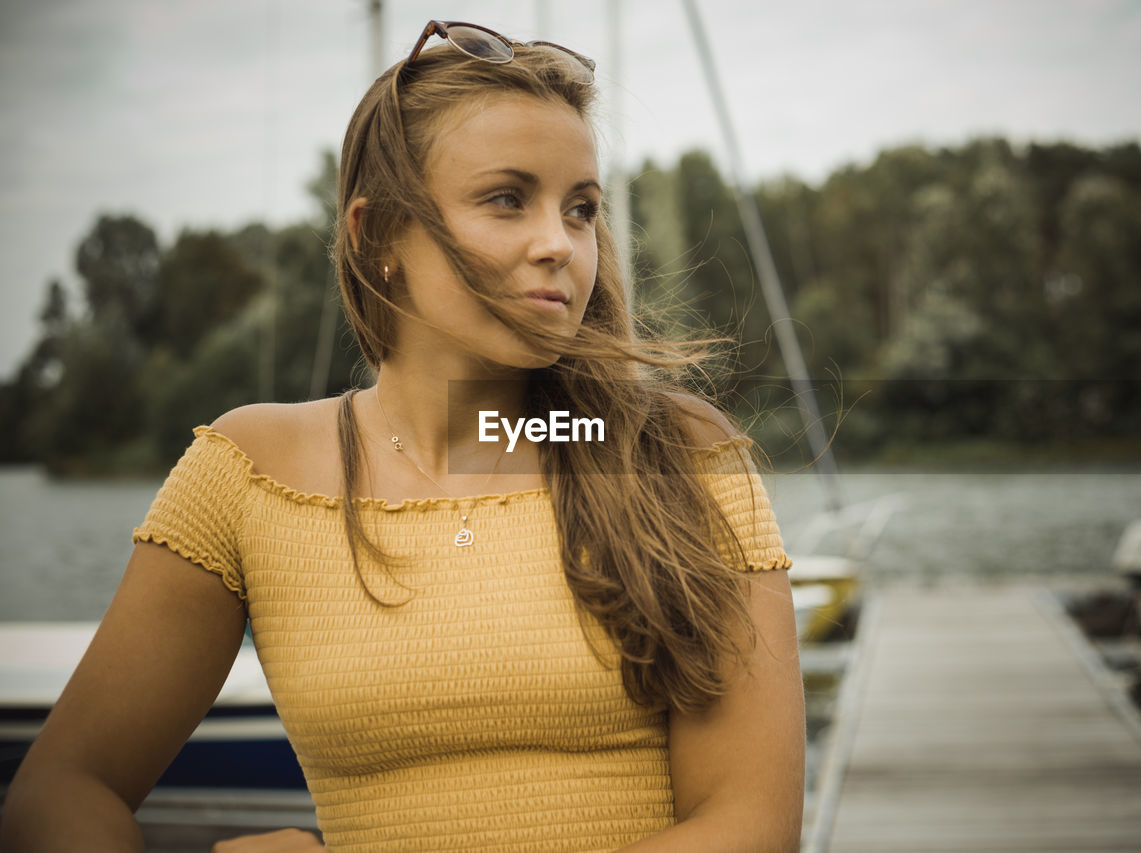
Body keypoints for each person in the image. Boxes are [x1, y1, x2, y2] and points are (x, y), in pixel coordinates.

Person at [1, 19, 804, 853]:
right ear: (376, 235)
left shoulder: (671, 455)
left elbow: (751, 827)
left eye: (581, 209)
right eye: (506, 198)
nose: (558, 245)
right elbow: (61, 789)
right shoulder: (249, 471)